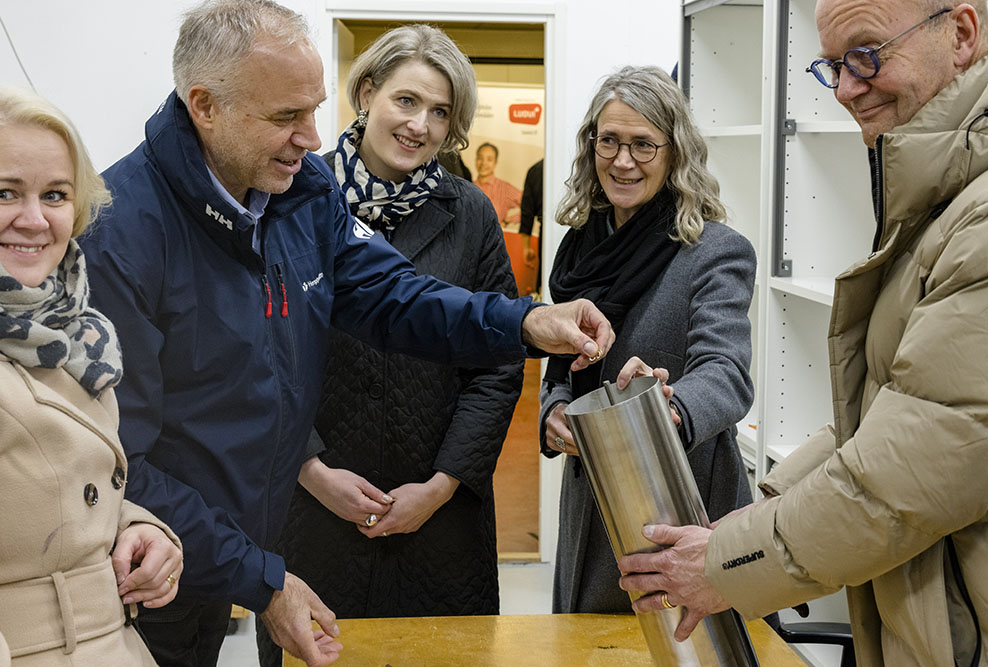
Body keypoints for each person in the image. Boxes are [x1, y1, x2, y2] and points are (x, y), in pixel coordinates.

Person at [78, 1, 613, 666]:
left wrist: (527, 320)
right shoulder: (120, 231)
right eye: (286, 116)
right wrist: (264, 576)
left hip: (224, 553)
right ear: (205, 106)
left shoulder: (298, 192)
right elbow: (123, 462)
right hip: (140, 567)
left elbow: (393, 293)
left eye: (313, 110)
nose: (311, 136)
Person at [618, 2, 988, 664]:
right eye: (834, 65)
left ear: (961, 34)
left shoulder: (986, 217)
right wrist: (761, 509)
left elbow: (911, 470)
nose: (849, 87)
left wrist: (727, 561)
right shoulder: (946, 193)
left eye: (867, 53)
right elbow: (895, 409)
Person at [255, 24, 524, 666]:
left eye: (440, 112)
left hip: (439, 519)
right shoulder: (284, 199)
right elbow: (255, 351)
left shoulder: (472, 214)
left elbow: (497, 364)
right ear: (367, 92)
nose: (420, 125)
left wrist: (441, 483)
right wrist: (311, 470)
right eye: (406, 101)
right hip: (309, 508)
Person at [539, 65, 755, 615]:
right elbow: (562, 365)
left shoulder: (714, 251)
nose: (622, 160)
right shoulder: (579, 248)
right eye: (608, 141)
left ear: (675, 151)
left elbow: (726, 373)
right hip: (593, 496)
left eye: (642, 145)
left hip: (680, 498)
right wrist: (555, 411)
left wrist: (670, 407)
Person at [0, 88, 183, 666]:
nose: (33, 219)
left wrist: (139, 528)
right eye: (5, 193)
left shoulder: (75, 332)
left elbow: (65, 487)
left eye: (54, 194)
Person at [474, 142, 522, 226]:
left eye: (489, 159)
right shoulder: (468, 187)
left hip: (494, 238)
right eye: (480, 158)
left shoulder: (504, 188)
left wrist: (508, 220)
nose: (483, 163)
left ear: (495, 163)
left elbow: (529, 206)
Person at [520, 158, 543, 294]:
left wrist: (526, 247)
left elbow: (527, 212)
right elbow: (526, 212)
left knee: (545, 278)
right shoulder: (575, 165)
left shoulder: (536, 170)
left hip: (545, 231)